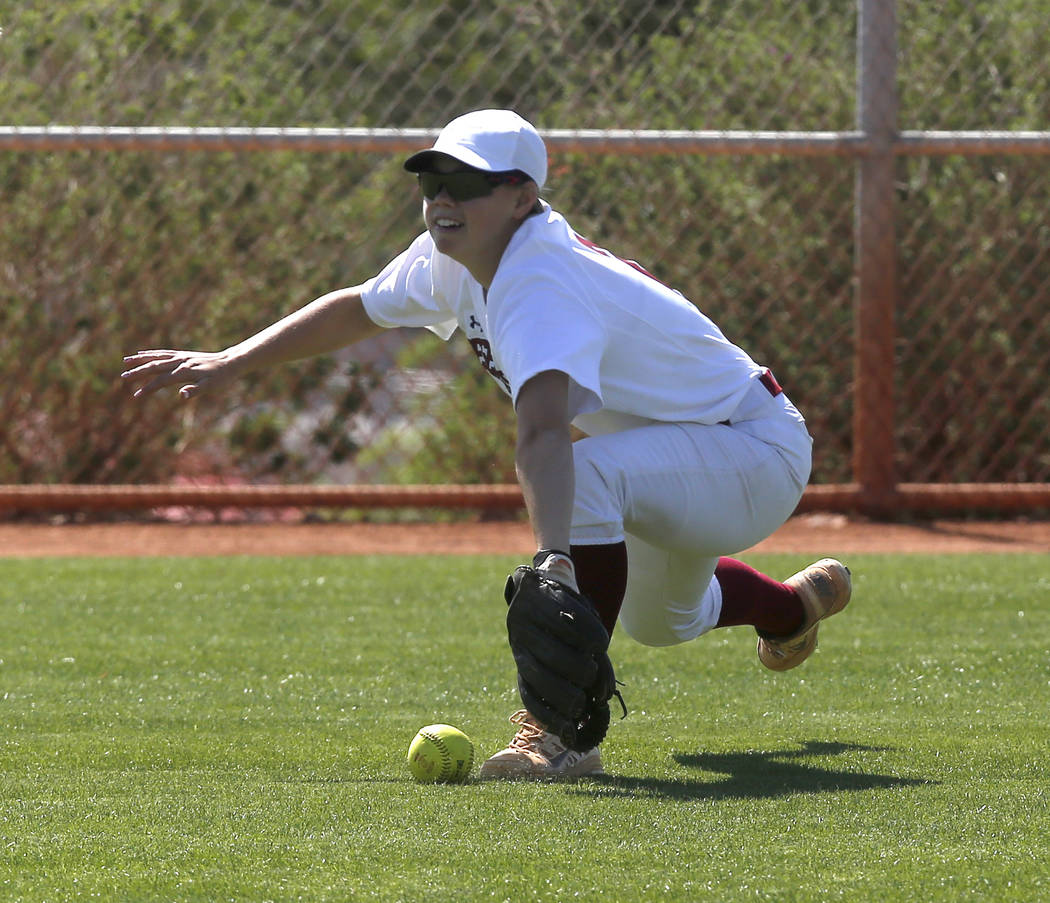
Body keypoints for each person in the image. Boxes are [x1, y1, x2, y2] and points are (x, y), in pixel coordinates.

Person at [123, 109, 852, 780]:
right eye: (432, 180)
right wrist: (230, 359)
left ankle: (562, 735)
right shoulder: (456, 255)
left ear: (521, 195)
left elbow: (541, 433)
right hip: (678, 459)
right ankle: (791, 608)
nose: (442, 198)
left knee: (588, 475)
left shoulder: (540, 280)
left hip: (750, 451)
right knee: (662, 622)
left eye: (465, 183)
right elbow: (358, 307)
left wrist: (555, 556)